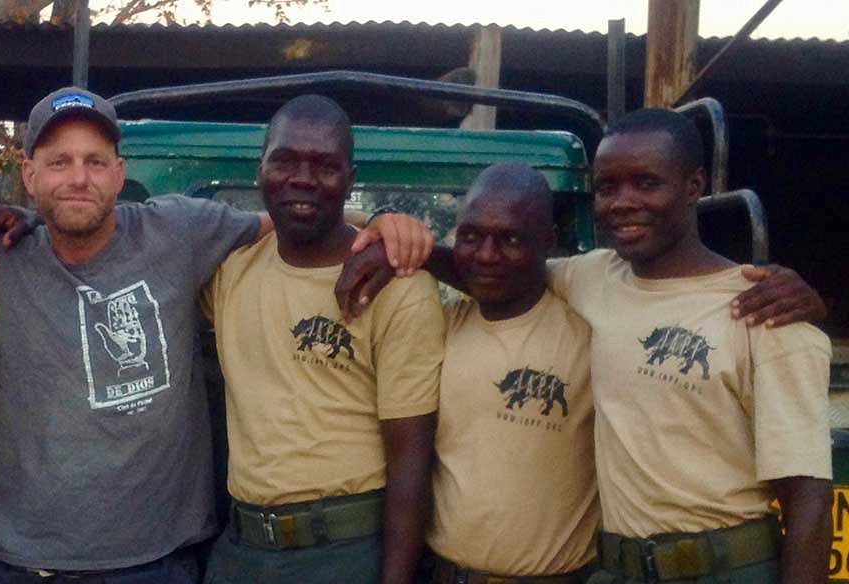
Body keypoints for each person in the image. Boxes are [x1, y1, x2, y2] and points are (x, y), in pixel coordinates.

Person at [0, 87, 432, 582]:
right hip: (20, 563)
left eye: (93, 160)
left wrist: (393, 228)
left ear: (118, 171)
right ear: (29, 176)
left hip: (162, 563)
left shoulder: (180, 232)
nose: (76, 177)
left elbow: (299, 221)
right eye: (57, 162)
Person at [344, 109, 832, 584]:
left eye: (646, 183)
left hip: (725, 566)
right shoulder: (596, 278)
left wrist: (815, 297)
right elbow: (498, 270)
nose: (622, 202)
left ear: (694, 186)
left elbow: (808, 499)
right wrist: (404, 251)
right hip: (620, 566)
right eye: (607, 187)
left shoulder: (766, 312)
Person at [199, 95, 443, 584]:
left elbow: (412, 461)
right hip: (241, 550)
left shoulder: (399, 287)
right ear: (260, 169)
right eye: (284, 160)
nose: (302, 178)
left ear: (350, 181)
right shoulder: (229, 269)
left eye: (325, 166)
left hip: (345, 551)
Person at [424, 162, 598, 583]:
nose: (485, 255)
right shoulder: (438, 327)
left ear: (548, 242)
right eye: (470, 236)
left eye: (511, 239)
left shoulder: (591, 334)